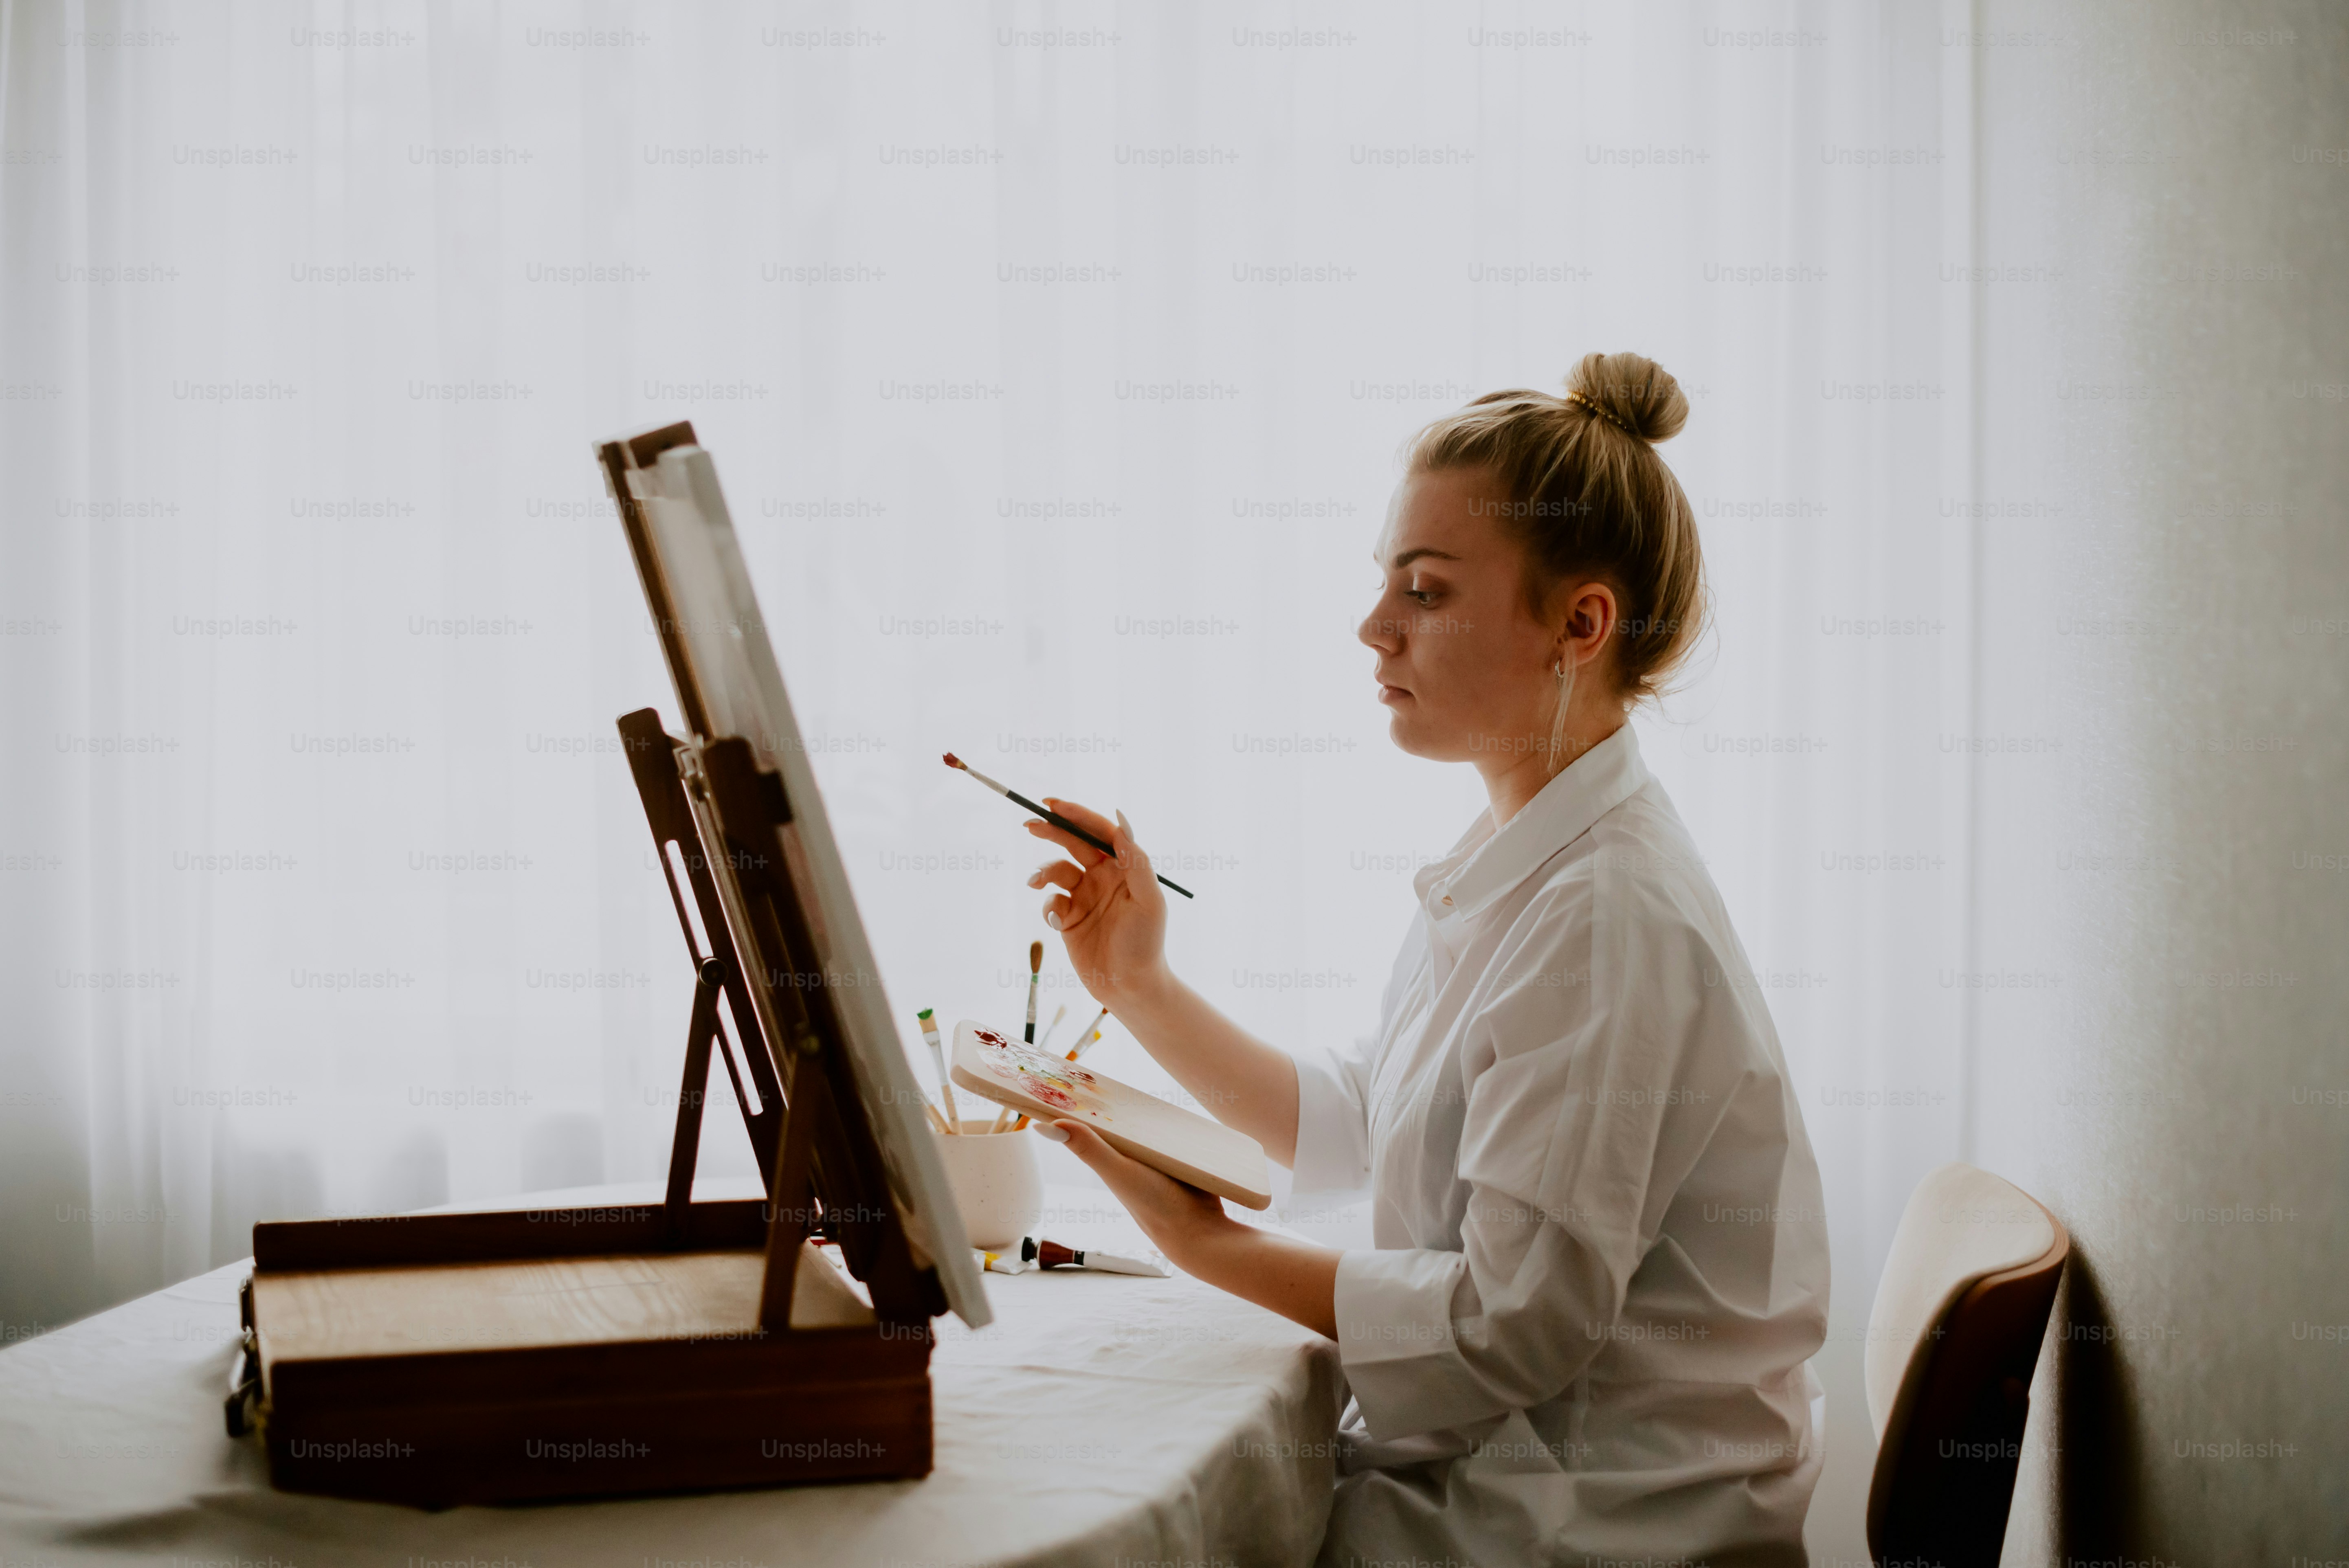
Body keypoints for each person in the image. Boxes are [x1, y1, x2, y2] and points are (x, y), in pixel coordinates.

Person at [1022, 353, 1829, 1567]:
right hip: (1516, 1477)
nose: (1374, 626)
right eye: (1386, 582)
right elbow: (1371, 1112)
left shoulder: (1608, 919)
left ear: (1581, 622)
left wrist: (1205, 1245)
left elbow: (1510, 1328)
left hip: (1583, 1525)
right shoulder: (1533, 846)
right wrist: (1136, 984)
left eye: (1428, 590)